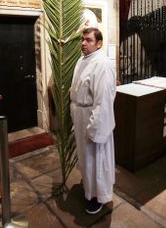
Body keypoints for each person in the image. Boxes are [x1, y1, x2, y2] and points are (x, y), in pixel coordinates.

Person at [70, 27, 116, 214]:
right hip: (81, 115)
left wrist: (94, 127)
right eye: (83, 39)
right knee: (86, 157)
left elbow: (103, 99)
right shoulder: (83, 60)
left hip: (92, 118)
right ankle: (89, 185)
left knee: (96, 158)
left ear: (99, 43)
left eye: (88, 40)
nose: (83, 43)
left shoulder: (102, 64)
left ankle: (97, 196)